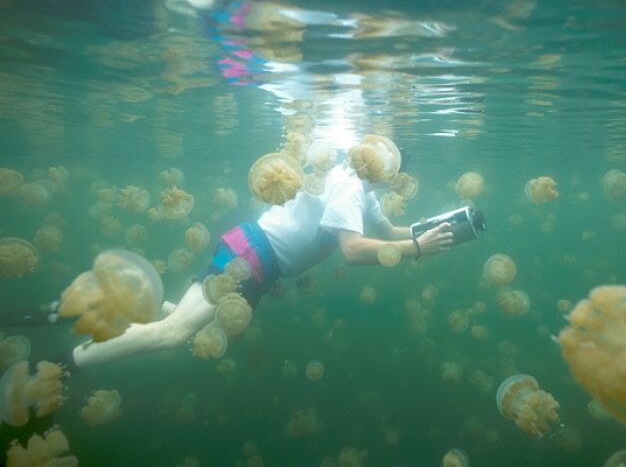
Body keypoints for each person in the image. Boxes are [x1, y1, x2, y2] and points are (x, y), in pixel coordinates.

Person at [55, 135, 457, 371]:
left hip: (256, 259)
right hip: (250, 256)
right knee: (173, 335)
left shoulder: (356, 184)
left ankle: (122, 307)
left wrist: (435, 228)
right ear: (392, 175)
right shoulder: (351, 189)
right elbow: (352, 250)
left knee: (188, 319)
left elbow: (386, 231)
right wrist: (417, 249)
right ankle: (64, 363)